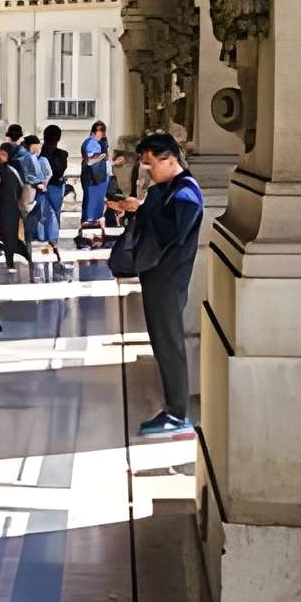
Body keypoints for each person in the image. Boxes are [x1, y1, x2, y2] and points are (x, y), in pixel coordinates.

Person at [108, 132, 207, 439]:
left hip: (168, 282)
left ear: (169, 159)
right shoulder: (167, 189)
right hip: (158, 279)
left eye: (151, 164)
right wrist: (138, 208)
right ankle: (173, 410)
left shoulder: (186, 194)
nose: (148, 170)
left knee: (169, 346)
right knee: (163, 345)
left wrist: (141, 209)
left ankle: (178, 414)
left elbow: (171, 233)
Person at [31, 123, 69, 271]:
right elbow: (60, 170)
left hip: (42, 188)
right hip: (57, 187)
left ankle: (43, 242)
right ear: (58, 138)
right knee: (55, 215)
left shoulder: (39, 155)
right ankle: (53, 243)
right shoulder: (62, 154)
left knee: (43, 215)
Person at [0, 125, 32, 270]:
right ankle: (17, 257)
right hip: (9, 210)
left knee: (8, 237)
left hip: (8, 210)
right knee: (9, 237)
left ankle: (16, 259)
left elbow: (8, 195)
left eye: (0, 154)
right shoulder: (10, 169)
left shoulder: (6, 172)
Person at [79, 119, 113, 230]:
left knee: (95, 205)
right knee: (91, 208)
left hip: (96, 179)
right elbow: (90, 161)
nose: (103, 135)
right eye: (102, 132)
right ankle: (90, 231)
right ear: (96, 132)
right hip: (93, 180)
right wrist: (102, 156)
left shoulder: (96, 143)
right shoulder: (91, 143)